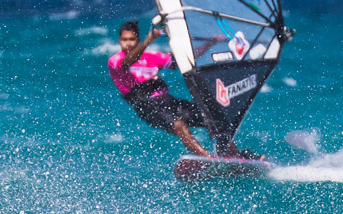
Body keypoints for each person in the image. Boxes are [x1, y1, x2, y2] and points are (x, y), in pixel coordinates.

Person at [107, 20, 261, 160]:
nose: (128, 43)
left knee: (211, 117)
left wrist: (210, 43)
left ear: (137, 40)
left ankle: (235, 155)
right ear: (119, 41)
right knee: (179, 125)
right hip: (148, 106)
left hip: (167, 101)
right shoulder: (115, 61)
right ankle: (209, 159)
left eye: (132, 39)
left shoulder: (151, 57)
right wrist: (149, 40)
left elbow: (180, 60)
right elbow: (129, 61)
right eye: (124, 40)